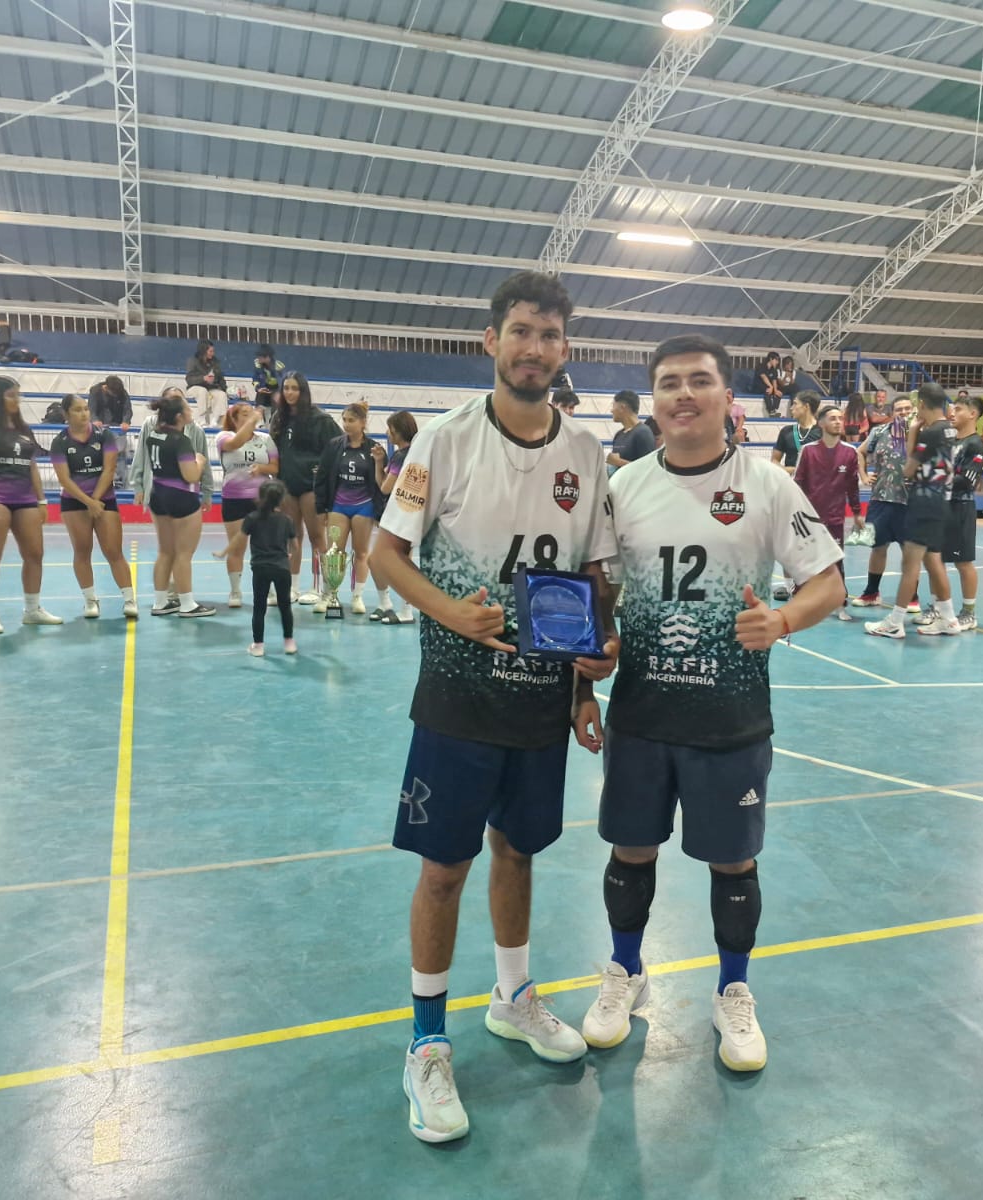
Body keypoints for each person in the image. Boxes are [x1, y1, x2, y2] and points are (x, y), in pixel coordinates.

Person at [367, 270, 617, 1145]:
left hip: (542, 704)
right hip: (456, 700)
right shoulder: (442, 440)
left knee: (520, 853)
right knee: (444, 869)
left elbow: (591, 582)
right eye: (520, 331)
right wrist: (450, 610)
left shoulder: (587, 459)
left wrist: (588, 684)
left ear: (564, 349)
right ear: (491, 341)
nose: (534, 348)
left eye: (550, 335)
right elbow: (383, 556)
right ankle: (427, 1040)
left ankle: (512, 997)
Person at [580, 333, 843, 1072]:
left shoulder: (766, 486)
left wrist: (784, 619)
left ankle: (734, 991)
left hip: (730, 721)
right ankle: (626, 972)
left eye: (699, 381)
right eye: (669, 383)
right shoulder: (622, 488)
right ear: (653, 401)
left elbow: (828, 580)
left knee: (733, 865)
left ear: (730, 398)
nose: (683, 395)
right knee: (630, 850)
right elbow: (602, 598)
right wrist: (593, 666)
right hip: (642, 715)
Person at [0, 377, 61, 633]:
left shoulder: (24, 428)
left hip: (25, 499)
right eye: (10, 395)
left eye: (18, 395)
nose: (16, 400)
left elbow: (31, 466)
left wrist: (42, 500)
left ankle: (32, 610)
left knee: (35, 554)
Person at [866, 383, 960, 639]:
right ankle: (949, 618)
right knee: (933, 560)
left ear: (921, 405)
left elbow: (908, 469)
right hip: (941, 500)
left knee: (911, 564)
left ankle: (894, 621)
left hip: (924, 502)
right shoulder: (950, 429)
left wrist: (914, 432)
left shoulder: (929, 433)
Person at [51, 394, 136, 620]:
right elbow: (64, 479)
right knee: (82, 551)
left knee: (113, 551)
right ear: (67, 414)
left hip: (104, 500)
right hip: (74, 502)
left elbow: (109, 470)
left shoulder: (104, 435)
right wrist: (87, 502)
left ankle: (129, 599)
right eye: (78, 410)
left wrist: (96, 500)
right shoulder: (59, 442)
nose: (84, 413)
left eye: (86, 409)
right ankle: (90, 601)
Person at [141, 392, 216, 618]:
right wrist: (200, 462)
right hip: (181, 498)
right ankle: (187, 604)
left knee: (165, 551)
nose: (191, 411)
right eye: (188, 408)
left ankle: (160, 602)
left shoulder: (153, 436)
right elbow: (191, 475)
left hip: (158, 495)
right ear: (180, 415)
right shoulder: (181, 440)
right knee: (184, 554)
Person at [270, 371, 337, 606]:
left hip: (312, 487)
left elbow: (337, 447)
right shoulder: (279, 418)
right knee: (292, 537)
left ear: (303, 391)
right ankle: (292, 587)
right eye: (286, 388)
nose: (289, 393)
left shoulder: (320, 419)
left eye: (294, 388)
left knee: (317, 536)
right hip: (287, 485)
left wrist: (322, 474)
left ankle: (320, 588)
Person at [314, 401, 386, 615]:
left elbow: (380, 482)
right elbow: (323, 475)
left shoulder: (374, 449)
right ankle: (328, 595)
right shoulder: (335, 445)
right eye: (344, 420)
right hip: (339, 505)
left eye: (351, 420)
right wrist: (321, 508)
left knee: (361, 552)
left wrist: (378, 513)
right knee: (334, 552)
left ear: (363, 422)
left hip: (363, 506)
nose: (346, 424)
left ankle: (357, 597)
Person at [792, 403, 859, 619]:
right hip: (809, 519)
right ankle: (802, 599)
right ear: (821, 423)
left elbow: (852, 485)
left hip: (836, 518)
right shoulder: (809, 451)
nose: (838, 422)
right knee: (805, 560)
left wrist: (857, 512)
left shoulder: (850, 453)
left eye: (840, 418)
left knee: (836, 561)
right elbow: (798, 483)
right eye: (833, 418)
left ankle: (839, 603)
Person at [854, 395, 919, 612]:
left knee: (910, 551)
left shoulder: (921, 435)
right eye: (899, 409)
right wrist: (863, 474)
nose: (903, 412)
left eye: (907, 408)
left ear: (913, 410)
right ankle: (872, 592)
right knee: (878, 548)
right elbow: (860, 453)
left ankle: (912, 596)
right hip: (880, 499)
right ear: (892, 412)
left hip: (909, 502)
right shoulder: (879, 432)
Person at [215, 402, 279, 608]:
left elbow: (275, 467)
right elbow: (235, 443)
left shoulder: (265, 439)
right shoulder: (223, 437)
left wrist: (261, 468)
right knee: (237, 547)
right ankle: (235, 591)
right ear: (234, 419)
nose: (250, 416)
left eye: (251, 413)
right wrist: (251, 422)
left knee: (265, 547)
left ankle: (269, 590)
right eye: (244, 414)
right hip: (234, 499)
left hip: (261, 500)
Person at [231, 480, 296, 656]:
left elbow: (238, 539)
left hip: (260, 569)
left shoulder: (252, 518)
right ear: (281, 500)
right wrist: (288, 554)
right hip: (282, 568)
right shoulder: (287, 520)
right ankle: (289, 642)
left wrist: (224, 552)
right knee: (285, 606)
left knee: (259, 608)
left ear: (260, 497)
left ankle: (258, 646)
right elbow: (294, 545)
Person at [132, 386, 215, 523]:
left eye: (181, 400)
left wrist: (207, 493)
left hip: (186, 494)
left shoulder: (196, 431)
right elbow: (141, 456)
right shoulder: (150, 425)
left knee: (174, 542)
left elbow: (205, 463)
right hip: (159, 492)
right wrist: (138, 487)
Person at [941, 395, 983, 632]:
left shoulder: (975, 443)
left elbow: (966, 481)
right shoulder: (949, 440)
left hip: (961, 507)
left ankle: (969, 612)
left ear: (972, 414)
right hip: (942, 506)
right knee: (936, 559)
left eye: (957, 409)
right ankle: (939, 608)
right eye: (951, 409)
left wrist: (934, 477)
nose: (952, 413)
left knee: (962, 561)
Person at [371, 410, 418, 624]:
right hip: (408, 516)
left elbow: (385, 488)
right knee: (391, 561)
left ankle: (403, 611)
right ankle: (387, 604)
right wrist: (379, 462)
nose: (387, 433)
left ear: (398, 431)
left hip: (400, 517)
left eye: (390, 429)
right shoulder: (415, 452)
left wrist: (380, 466)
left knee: (395, 562)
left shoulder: (401, 456)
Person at [772, 389, 821, 474]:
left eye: (795, 404)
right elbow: (774, 461)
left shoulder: (822, 432)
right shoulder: (786, 431)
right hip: (791, 483)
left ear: (806, 406)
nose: (791, 408)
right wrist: (792, 470)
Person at [606, 390, 655, 472]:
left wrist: (619, 462)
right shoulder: (619, 434)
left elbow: (648, 470)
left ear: (622, 407)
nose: (611, 410)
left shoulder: (643, 433)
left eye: (613, 406)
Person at [184, 340, 227, 426]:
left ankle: (215, 420)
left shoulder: (215, 362)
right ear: (204, 351)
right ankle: (202, 418)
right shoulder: (192, 361)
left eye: (213, 351)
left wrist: (223, 388)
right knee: (202, 391)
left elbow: (221, 378)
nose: (212, 353)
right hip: (195, 388)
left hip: (210, 388)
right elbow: (189, 379)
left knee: (221, 394)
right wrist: (203, 378)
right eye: (210, 351)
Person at [251, 344, 285, 413]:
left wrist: (279, 393)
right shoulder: (258, 365)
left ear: (267, 357)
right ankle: (259, 420)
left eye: (260, 356)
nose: (258, 358)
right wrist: (258, 388)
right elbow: (255, 379)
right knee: (259, 399)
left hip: (276, 389)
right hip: (264, 388)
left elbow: (283, 382)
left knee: (276, 401)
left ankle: (274, 420)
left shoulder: (278, 366)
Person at [756, 351, 781, 417]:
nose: (777, 362)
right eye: (776, 360)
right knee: (768, 391)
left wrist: (775, 390)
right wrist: (771, 387)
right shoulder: (761, 366)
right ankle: (770, 410)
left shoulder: (774, 370)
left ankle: (774, 409)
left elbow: (774, 380)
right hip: (758, 386)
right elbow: (763, 377)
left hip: (769, 386)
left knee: (778, 393)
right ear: (771, 359)